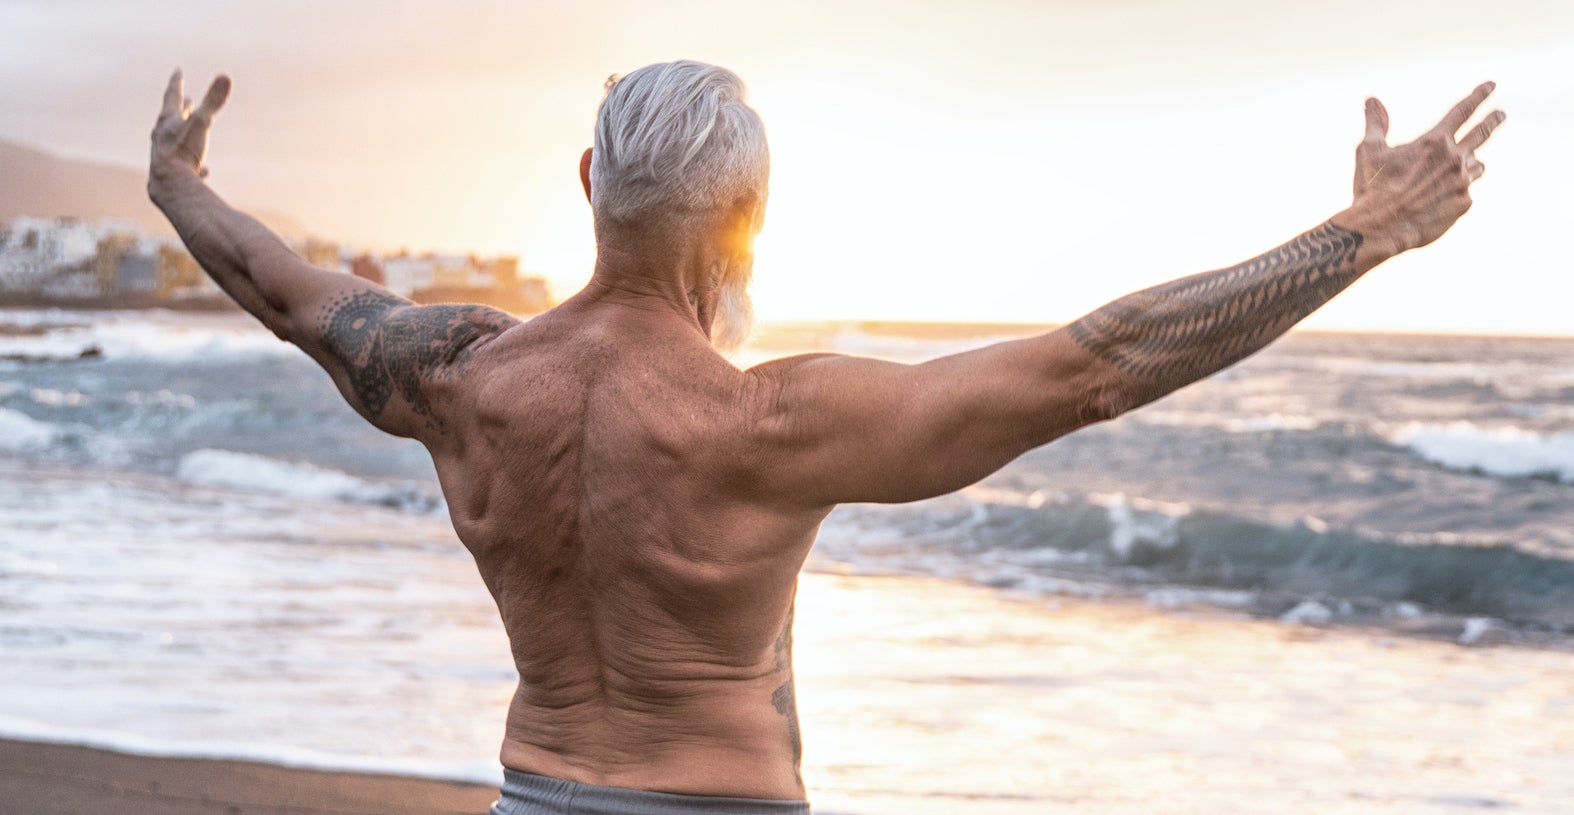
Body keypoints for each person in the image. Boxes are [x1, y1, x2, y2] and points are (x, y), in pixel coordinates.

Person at [148, 60, 1504, 814]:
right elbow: (1100, 364)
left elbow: (285, 290)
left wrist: (174, 185)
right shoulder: (769, 419)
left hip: (534, 797)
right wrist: (1362, 238)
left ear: (584, 184)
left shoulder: (461, 378)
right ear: (751, 221)